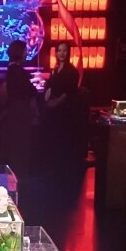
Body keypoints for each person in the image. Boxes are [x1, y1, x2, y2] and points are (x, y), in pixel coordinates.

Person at [0, 39, 39, 177]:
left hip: (13, 112)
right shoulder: (19, 72)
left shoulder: (11, 70)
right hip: (21, 112)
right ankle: (21, 176)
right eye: (25, 51)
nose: (27, 54)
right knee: (21, 146)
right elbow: (31, 92)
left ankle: (14, 175)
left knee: (14, 145)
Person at [42, 41, 81, 178]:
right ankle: (52, 169)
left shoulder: (72, 71)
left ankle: (62, 172)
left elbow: (69, 92)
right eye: (59, 51)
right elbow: (49, 86)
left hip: (65, 111)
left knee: (63, 140)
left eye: (64, 50)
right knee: (53, 140)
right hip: (53, 110)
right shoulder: (55, 69)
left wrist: (56, 103)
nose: (62, 53)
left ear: (68, 52)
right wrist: (47, 98)